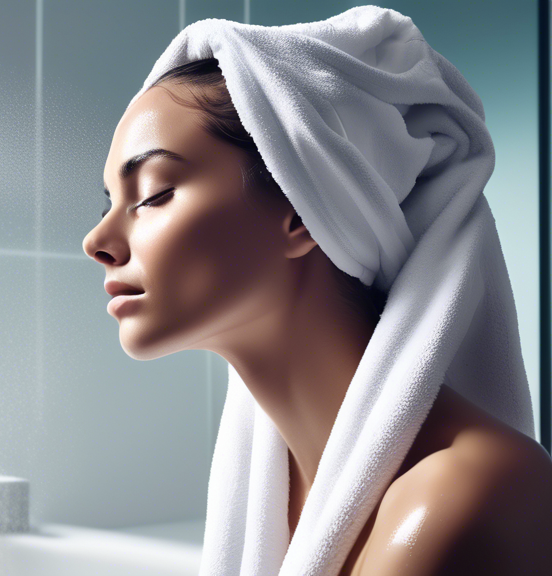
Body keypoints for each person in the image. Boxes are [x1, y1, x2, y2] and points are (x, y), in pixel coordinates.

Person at [82, 58, 552, 574]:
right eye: (108, 204)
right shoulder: (281, 497)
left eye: (153, 194)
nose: (97, 242)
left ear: (304, 210)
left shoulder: (460, 496)